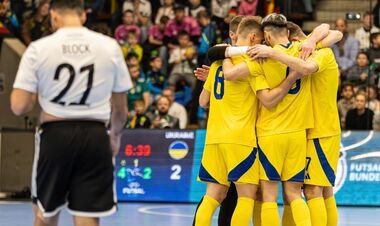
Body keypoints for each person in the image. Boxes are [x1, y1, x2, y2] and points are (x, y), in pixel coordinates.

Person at [10, 1, 132, 226]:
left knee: (45, 214)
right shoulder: (109, 46)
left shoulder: (39, 48)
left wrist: (36, 94)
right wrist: (114, 136)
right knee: (87, 214)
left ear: (54, 16)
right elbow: (121, 108)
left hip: (55, 134)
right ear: (83, 16)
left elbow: (19, 106)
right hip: (96, 135)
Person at [193, 16, 300, 226]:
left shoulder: (217, 63)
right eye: (260, 40)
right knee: (246, 197)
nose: (262, 44)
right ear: (253, 37)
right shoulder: (253, 63)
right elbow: (267, 100)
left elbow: (203, 101)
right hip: (241, 139)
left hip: (214, 138)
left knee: (212, 197)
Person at [249, 20, 342, 226]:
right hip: (304, 129)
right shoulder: (302, 49)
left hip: (321, 129)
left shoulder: (320, 54)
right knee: (310, 190)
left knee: (312, 190)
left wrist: (273, 52)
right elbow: (332, 33)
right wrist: (314, 39)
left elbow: (333, 33)